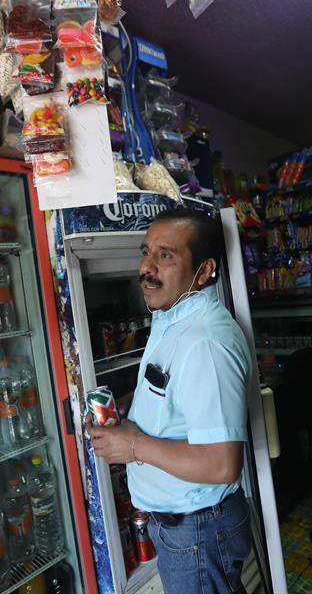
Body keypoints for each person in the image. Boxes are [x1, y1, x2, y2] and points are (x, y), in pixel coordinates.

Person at [87, 208, 252, 594]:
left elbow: (221, 464)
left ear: (205, 269)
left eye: (165, 255)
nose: (147, 267)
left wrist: (132, 445)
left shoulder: (206, 342)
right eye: (146, 252)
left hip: (199, 530)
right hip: (184, 527)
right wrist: (132, 405)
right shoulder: (172, 319)